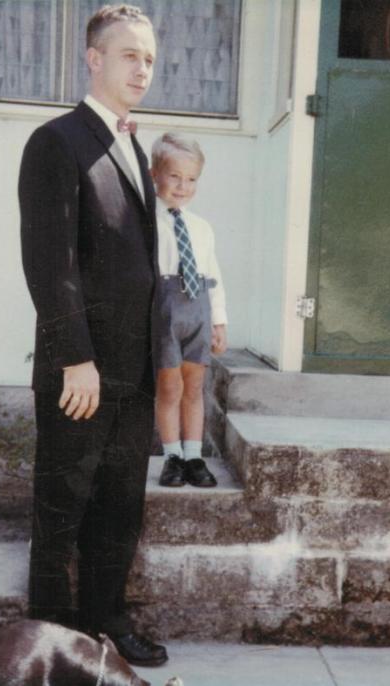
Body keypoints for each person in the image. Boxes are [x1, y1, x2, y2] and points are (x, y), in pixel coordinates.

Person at [18, 4, 168, 668]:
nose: (144, 68)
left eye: (151, 59)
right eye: (131, 54)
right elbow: (51, 263)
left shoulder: (134, 146)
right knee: (63, 512)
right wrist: (75, 357)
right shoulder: (57, 142)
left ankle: (106, 628)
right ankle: (50, 644)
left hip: (132, 378)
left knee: (118, 512)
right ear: (95, 59)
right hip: (80, 374)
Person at [151, 133, 228, 488]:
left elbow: (213, 276)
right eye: (174, 176)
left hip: (197, 312)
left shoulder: (202, 228)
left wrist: (219, 321)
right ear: (155, 174)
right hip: (164, 312)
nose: (183, 186)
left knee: (195, 387)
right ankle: (173, 457)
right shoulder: (146, 223)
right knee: (169, 387)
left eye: (191, 178)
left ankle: (195, 456)